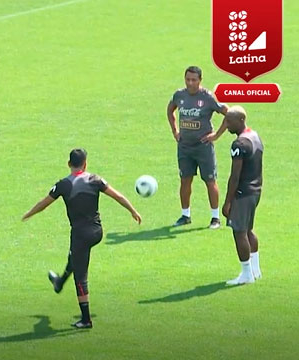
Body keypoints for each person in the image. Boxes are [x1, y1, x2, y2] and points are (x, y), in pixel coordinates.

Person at [22, 149, 141, 329]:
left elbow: (43, 204)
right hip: (96, 232)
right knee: (75, 258)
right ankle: (60, 282)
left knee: (80, 276)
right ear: (85, 164)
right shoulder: (95, 180)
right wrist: (133, 211)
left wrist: (29, 214)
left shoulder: (63, 185)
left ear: (69, 164)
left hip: (80, 235)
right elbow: (118, 196)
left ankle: (86, 320)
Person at [167, 66, 229, 229]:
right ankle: (185, 215)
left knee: (210, 180)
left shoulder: (207, 97)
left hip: (203, 147)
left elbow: (228, 113)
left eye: (194, 80)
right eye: (188, 79)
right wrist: (175, 131)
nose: (190, 83)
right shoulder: (179, 95)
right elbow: (170, 109)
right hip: (185, 147)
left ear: (200, 80)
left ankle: (215, 218)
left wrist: (216, 135)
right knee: (185, 180)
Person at [222, 106, 263, 285]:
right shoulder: (255, 135)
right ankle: (256, 269)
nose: (226, 124)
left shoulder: (239, 144)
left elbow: (235, 176)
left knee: (239, 232)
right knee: (248, 230)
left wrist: (227, 202)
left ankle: (247, 274)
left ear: (240, 121)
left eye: (229, 121)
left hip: (243, 193)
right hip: (256, 190)